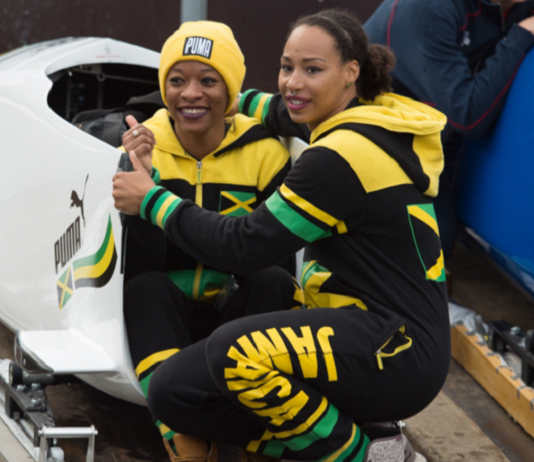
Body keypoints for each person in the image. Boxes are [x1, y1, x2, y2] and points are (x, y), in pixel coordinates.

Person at [113, 9, 449, 462]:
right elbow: (278, 110)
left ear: (351, 73)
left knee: (237, 354)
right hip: (373, 334)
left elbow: (245, 247)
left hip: (392, 348)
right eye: (287, 67)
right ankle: (352, 440)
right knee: (174, 393)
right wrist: (225, 95)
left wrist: (152, 200)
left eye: (312, 69)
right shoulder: (366, 117)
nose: (293, 82)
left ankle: (362, 456)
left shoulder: (339, 157)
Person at [116, 20, 303, 460]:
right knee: (143, 288)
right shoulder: (143, 146)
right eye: (177, 81)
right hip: (166, 318)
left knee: (274, 280)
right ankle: (182, 435)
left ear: (232, 90)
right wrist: (145, 177)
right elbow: (136, 262)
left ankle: (256, 421)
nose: (191, 94)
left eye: (208, 80)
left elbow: (276, 252)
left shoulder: (266, 152)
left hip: (235, 314)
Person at [364, 0, 534, 256]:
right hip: (375, 137)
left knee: (435, 242)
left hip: (430, 136)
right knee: (429, 244)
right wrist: (521, 35)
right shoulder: (429, 7)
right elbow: (467, 116)